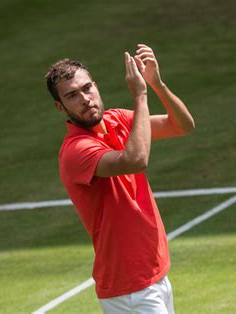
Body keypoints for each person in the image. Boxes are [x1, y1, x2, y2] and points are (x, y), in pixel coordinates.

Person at [45, 44, 195, 313]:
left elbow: (182, 126)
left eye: (87, 88)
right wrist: (140, 95)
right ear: (60, 106)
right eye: (72, 96)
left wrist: (157, 84)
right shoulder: (76, 151)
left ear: (96, 86)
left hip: (154, 274)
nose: (85, 99)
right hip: (129, 289)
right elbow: (135, 160)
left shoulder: (119, 120)